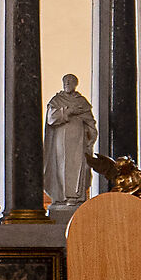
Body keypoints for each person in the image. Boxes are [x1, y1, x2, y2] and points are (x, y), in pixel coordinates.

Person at [45, 73, 95, 205]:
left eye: (71, 81)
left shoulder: (81, 101)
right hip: (61, 139)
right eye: (66, 81)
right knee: (62, 165)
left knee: (78, 165)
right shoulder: (56, 100)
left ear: (75, 84)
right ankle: (62, 196)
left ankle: (76, 196)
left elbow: (90, 121)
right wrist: (67, 111)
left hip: (79, 140)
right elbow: (51, 119)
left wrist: (91, 136)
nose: (67, 83)